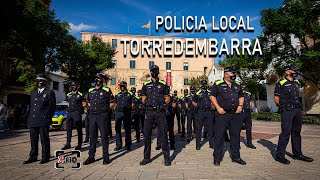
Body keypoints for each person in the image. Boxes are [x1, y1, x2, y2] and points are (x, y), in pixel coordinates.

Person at [274, 65, 313, 164]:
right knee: (285, 133)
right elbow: (276, 98)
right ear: (287, 72)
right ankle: (279, 155)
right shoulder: (281, 83)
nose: (295, 71)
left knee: (296, 133)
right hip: (287, 110)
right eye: (293, 70)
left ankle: (297, 154)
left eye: (296, 70)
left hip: (297, 110)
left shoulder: (297, 82)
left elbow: (298, 97)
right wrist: (283, 108)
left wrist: (301, 109)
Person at [210, 67, 246, 166]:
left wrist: (240, 106)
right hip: (222, 114)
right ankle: (217, 158)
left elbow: (241, 96)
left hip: (235, 114)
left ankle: (236, 157)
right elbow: (212, 96)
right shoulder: (218, 84)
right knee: (219, 136)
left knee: (235, 136)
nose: (234, 74)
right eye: (232, 73)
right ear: (226, 74)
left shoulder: (237, 85)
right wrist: (217, 107)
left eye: (234, 73)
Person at [140, 65, 171, 166]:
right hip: (149, 112)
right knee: (147, 135)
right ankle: (146, 157)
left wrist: (162, 104)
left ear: (158, 72)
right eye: (152, 71)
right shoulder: (146, 84)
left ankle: (166, 157)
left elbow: (167, 98)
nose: (154, 72)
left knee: (163, 134)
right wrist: (146, 102)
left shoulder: (163, 84)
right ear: (150, 72)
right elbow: (143, 98)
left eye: (156, 70)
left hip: (160, 112)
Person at [23, 75, 56, 164]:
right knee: (33, 139)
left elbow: (52, 107)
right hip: (33, 120)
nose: (38, 82)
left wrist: (48, 119)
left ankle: (45, 156)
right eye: (37, 81)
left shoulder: (49, 93)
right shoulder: (33, 93)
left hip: (43, 120)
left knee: (44, 139)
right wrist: (29, 119)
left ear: (45, 82)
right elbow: (31, 107)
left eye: (40, 81)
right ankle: (33, 156)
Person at [83, 73, 115, 165]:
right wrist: (90, 108)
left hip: (102, 116)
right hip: (92, 116)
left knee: (104, 137)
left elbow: (112, 103)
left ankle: (106, 157)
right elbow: (87, 102)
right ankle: (91, 156)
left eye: (99, 79)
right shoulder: (90, 90)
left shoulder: (106, 90)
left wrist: (105, 111)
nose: (97, 80)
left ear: (102, 80)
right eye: (96, 78)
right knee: (92, 137)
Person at [61, 82, 85, 150]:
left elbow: (84, 103)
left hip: (77, 113)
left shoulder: (80, 95)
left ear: (77, 86)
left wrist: (79, 110)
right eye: (72, 86)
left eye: (75, 85)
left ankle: (79, 144)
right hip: (69, 113)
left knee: (79, 129)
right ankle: (68, 144)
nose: (73, 87)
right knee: (68, 129)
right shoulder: (68, 94)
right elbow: (68, 103)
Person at [192, 79, 214, 150]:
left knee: (210, 128)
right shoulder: (198, 93)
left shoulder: (210, 93)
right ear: (201, 85)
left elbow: (213, 100)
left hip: (209, 112)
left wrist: (212, 106)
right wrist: (198, 106)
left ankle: (211, 143)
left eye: (205, 84)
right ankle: (198, 144)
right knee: (199, 129)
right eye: (203, 84)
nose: (204, 85)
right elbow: (193, 102)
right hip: (201, 112)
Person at [114, 81, 134, 151]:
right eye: (121, 86)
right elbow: (115, 102)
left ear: (126, 86)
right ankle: (118, 145)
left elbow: (133, 103)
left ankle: (128, 145)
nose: (122, 87)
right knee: (117, 129)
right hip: (118, 112)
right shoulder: (117, 94)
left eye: (123, 85)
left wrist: (129, 109)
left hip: (127, 112)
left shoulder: (130, 94)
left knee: (127, 129)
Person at [156, 86, 176, 151]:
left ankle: (172, 145)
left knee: (170, 130)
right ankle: (159, 144)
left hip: (169, 115)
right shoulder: (160, 97)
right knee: (160, 130)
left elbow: (174, 105)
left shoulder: (172, 97)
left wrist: (171, 104)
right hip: (161, 115)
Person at [240, 82, 256, 149]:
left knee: (249, 128)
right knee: (238, 129)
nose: (243, 87)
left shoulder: (248, 94)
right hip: (241, 112)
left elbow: (250, 103)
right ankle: (236, 143)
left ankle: (249, 143)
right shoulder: (237, 93)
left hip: (248, 112)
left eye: (244, 86)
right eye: (242, 86)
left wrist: (249, 106)